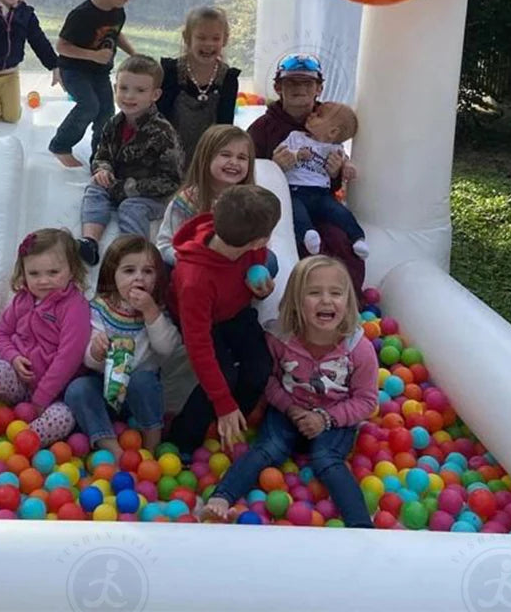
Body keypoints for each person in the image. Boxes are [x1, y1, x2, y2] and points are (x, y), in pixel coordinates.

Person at [202, 256, 377, 528]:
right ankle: (222, 497)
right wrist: (290, 408)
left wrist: (325, 419)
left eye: (336, 293)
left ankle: (361, 525)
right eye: (314, 293)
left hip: (334, 417)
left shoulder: (357, 348)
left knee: (326, 458)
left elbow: (366, 400)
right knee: (267, 448)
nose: (326, 301)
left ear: (348, 300)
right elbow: (269, 381)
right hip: (288, 410)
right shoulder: (280, 338)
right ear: (296, 300)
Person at [166, 184, 281, 457]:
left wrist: (262, 287)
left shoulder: (250, 247)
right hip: (199, 320)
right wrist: (222, 401)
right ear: (260, 240)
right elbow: (199, 346)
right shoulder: (195, 280)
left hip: (235, 311)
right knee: (223, 377)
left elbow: (257, 266)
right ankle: (182, 440)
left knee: (259, 367)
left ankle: (229, 423)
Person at [0, 228, 89, 446]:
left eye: (53, 273)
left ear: (72, 270)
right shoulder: (23, 300)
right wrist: (13, 357)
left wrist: (41, 399)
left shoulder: (75, 307)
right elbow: (0, 334)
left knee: (62, 419)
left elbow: (69, 358)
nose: (43, 281)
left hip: (56, 395)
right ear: (23, 273)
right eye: (34, 274)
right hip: (21, 384)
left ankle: (11, 449)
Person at [247, 53, 365, 296]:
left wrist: (335, 174)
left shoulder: (332, 120)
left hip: (320, 202)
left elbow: (328, 180)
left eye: (307, 83)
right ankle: (297, 302)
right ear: (278, 87)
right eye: (291, 82)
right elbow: (247, 174)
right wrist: (273, 168)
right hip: (280, 207)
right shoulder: (262, 128)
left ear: (319, 88)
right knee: (294, 243)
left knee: (339, 239)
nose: (299, 88)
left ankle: (348, 300)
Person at [64, 236, 182, 458]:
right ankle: (113, 449)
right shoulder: (98, 307)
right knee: (78, 389)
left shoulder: (157, 310)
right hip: (103, 389)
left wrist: (150, 312)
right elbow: (86, 356)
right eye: (129, 271)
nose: (139, 277)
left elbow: (167, 349)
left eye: (148, 271)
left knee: (144, 380)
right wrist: (95, 352)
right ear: (112, 273)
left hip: (138, 398)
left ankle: (151, 447)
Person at [77, 55, 182, 267]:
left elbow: (171, 181)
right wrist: (103, 170)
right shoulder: (113, 124)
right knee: (95, 186)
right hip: (116, 185)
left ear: (155, 95)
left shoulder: (162, 133)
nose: (129, 96)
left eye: (140, 91)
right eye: (123, 88)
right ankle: (90, 241)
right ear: (115, 88)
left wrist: (127, 188)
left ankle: (134, 253)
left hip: (151, 196)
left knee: (131, 207)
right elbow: (101, 155)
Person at [48, 0, 138, 168]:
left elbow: (114, 34)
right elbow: (62, 46)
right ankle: (60, 145)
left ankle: (100, 157)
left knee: (106, 112)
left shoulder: (118, 11)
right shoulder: (82, 15)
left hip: (99, 73)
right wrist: (92, 55)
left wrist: (134, 53)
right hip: (74, 71)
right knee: (89, 105)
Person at [155, 124, 256, 267]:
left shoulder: (251, 202)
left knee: (270, 260)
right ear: (206, 158)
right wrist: (190, 262)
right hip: (193, 267)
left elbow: (259, 245)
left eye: (242, 157)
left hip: (234, 268)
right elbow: (165, 245)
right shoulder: (187, 200)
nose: (234, 162)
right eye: (226, 155)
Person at [158, 6, 240, 171]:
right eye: (201, 38)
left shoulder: (228, 79)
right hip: (168, 155)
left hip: (207, 158)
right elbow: (160, 117)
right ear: (187, 38)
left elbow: (225, 125)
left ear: (225, 40)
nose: (208, 44)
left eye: (215, 38)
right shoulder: (171, 72)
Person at [283, 101, 369, 259]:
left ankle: (357, 237)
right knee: (296, 212)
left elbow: (345, 160)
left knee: (339, 212)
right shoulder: (296, 137)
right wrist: (296, 155)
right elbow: (282, 153)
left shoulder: (335, 148)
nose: (312, 114)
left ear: (332, 132)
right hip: (295, 190)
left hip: (321, 194)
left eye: (319, 115)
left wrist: (347, 167)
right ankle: (308, 234)